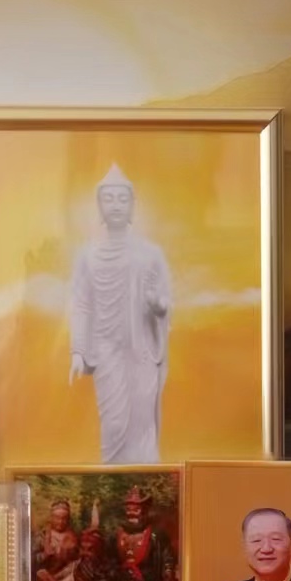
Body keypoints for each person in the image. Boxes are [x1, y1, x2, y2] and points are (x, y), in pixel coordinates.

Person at [68, 165, 174, 463]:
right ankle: (113, 479)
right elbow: (82, 304)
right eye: (109, 198)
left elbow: (165, 302)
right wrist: (78, 351)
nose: (115, 205)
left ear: (132, 206)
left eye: (122, 198)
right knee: (114, 424)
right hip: (106, 351)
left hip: (142, 352)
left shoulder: (151, 254)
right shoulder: (88, 256)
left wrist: (157, 304)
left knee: (142, 422)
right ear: (99, 205)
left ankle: (145, 479)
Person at [115, 484, 178, 581]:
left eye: (136, 509)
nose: (132, 513)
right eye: (129, 509)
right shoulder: (117, 534)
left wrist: (168, 570)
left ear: (145, 510)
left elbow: (167, 555)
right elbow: (110, 559)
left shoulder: (156, 534)